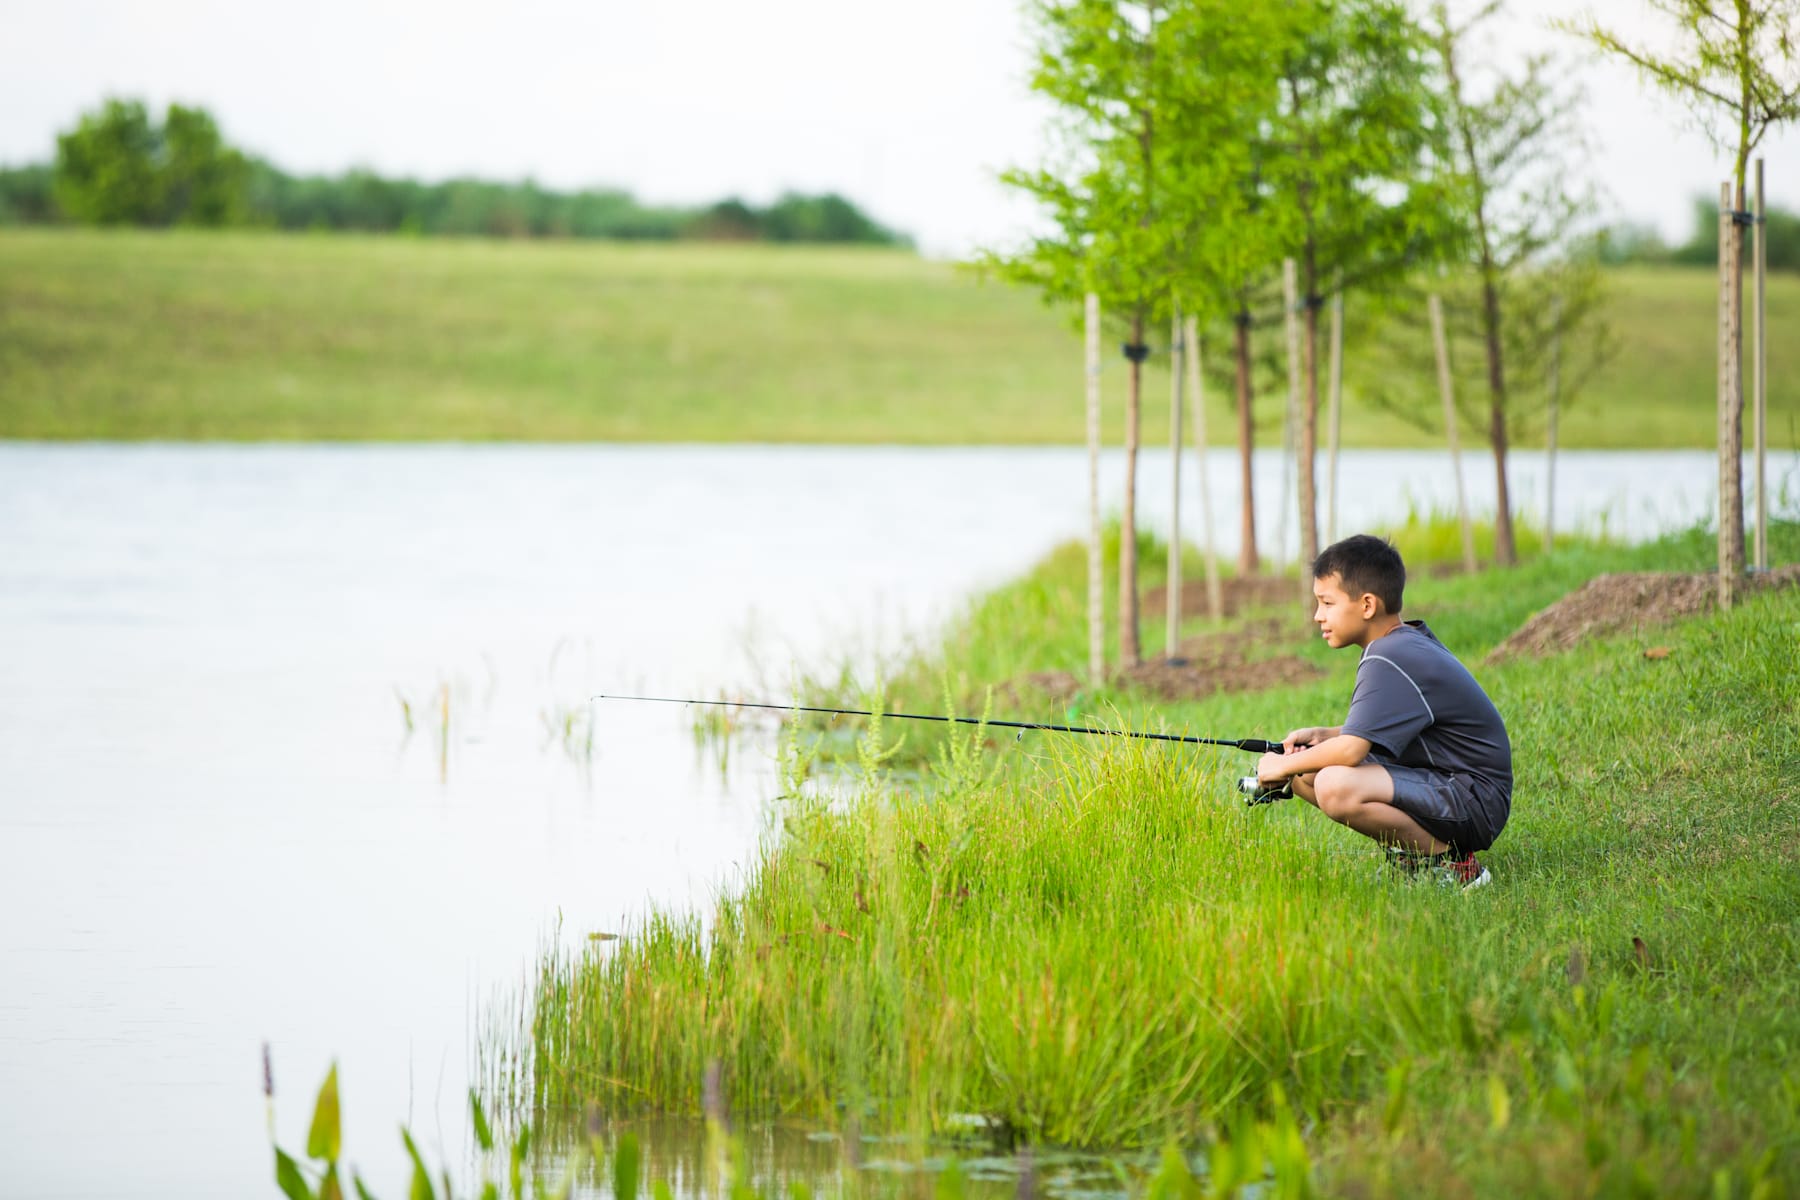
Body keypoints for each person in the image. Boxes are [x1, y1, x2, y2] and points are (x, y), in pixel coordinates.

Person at [1253, 534, 1511, 890]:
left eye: (1327, 603)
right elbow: (1394, 726)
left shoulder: (1389, 656)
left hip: (1474, 798)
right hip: (1457, 787)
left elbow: (1352, 750)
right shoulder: (1400, 643)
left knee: (1332, 783)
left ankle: (1454, 867)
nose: (1317, 616)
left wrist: (1278, 766)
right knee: (1308, 768)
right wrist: (1325, 736)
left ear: (1367, 605)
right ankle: (1414, 859)